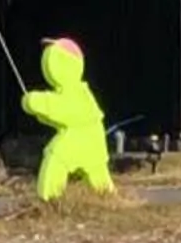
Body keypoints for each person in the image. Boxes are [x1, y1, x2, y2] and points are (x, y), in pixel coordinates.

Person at [22, 36, 113, 201]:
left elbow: (64, 109)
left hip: (85, 138)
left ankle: (50, 198)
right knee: (93, 171)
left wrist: (38, 102)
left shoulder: (78, 94)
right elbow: (59, 116)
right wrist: (40, 110)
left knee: (57, 157)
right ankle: (54, 198)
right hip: (82, 136)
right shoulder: (75, 92)